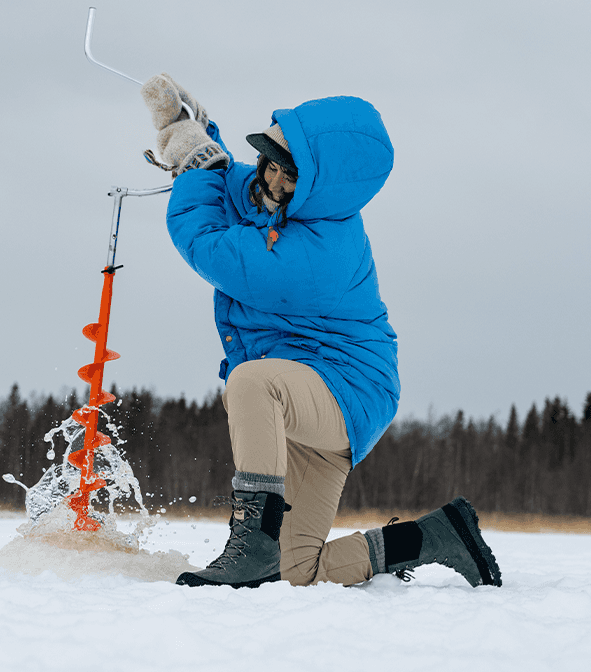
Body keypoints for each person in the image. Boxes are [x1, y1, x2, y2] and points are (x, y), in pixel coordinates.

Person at [140, 74, 502, 589]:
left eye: (285, 170)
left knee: (250, 383)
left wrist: (198, 168)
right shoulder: (289, 202)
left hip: (345, 389)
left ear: (318, 186)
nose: (267, 174)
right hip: (305, 394)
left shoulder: (320, 253)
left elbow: (207, 243)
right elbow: (239, 191)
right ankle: (438, 536)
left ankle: (253, 539)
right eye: (267, 156)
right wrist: (202, 140)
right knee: (296, 574)